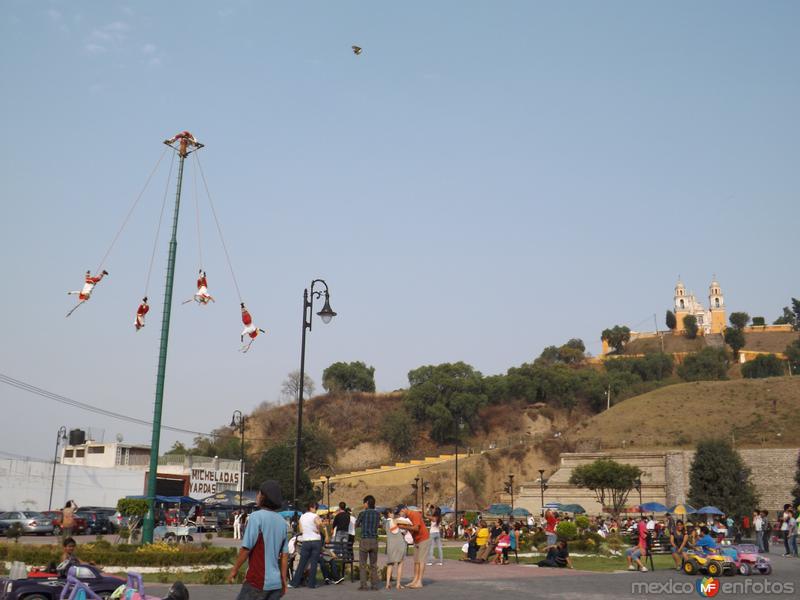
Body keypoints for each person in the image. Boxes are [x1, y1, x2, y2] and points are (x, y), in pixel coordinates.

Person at [228, 480, 289, 600]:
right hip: (275, 585)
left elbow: (246, 549)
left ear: (263, 497)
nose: (257, 496)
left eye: (259, 493)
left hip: (257, 582)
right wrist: (283, 580)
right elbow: (285, 555)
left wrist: (234, 570)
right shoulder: (282, 522)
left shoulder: (256, 517)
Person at [288, 501, 327, 589]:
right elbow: (320, 524)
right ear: (312, 507)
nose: (316, 510)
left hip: (306, 541)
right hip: (316, 541)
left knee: (302, 563)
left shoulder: (302, 517)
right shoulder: (315, 516)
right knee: (313, 563)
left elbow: (301, 531)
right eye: (316, 508)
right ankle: (311, 583)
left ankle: (294, 583)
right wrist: (319, 528)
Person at [396, 504, 430, 589]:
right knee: (416, 561)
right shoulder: (409, 517)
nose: (400, 515)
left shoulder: (414, 514)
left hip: (423, 539)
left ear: (404, 509)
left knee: (421, 560)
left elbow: (416, 528)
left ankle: (419, 581)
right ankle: (415, 580)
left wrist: (404, 526)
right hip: (417, 540)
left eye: (400, 513)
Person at [355, 495, 381, 591]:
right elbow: (378, 525)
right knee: (373, 565)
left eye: (364, 503)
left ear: (366, 503)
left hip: (365, 540)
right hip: (374, 540)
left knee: (363, 564)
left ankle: (364, 585)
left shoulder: (362, 513)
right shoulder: (378, 514)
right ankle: (374, 585)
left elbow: (356, 524)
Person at [384, 508, 407, 590]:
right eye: (392, 512)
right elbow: (404, 528)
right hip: (399, 544)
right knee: (400, 564)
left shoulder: (385, 523)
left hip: (390, 545)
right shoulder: (395, 521)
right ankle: (398, 584)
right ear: (389, 513)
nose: (393, 514)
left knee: (390, 564)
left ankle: (387, 584)